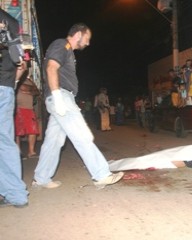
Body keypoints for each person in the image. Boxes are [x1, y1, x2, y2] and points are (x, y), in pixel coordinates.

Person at [32, 23, 123, 189]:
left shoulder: (69, 52)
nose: (88, 43)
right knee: (82, 135)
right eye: (87, 38)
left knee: (53, 142)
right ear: (78, 34)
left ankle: (41, 178)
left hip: (61, 97)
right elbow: (51, 67)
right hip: (60, 96)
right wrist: (59, 97)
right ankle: (101, 174)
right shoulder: (62, 45)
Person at [0, 9, 29, 208]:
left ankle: (13, 192)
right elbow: (22, 63)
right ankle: (13, 193)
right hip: (5, 88)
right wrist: (12, 84)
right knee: (5, 141)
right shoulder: (11, 21)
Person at [108, 145, 192, 171]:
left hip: (187, 157)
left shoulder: (139, 163)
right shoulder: (144, 160)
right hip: (187, 151)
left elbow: (126, 164)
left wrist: (109, 167)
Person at [15, 74, 40, 159]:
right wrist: (30, 89)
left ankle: (31, 152)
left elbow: (37, 91)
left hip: (29, 108)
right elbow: (22, 87)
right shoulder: (16, 78)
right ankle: (18, 153)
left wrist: (29, 89)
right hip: (18, 108)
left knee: (33, 130)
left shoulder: (29, 80)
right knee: (17, 131)